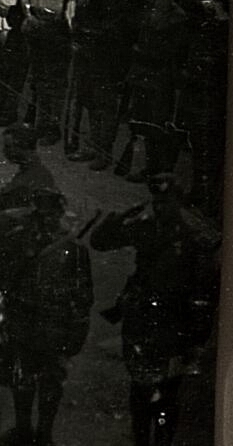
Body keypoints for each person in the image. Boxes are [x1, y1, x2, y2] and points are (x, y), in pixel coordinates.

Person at [89, 174, 222, 446]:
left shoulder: (195, 237)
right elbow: (100, 242)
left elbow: (206, 293)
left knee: (166, 396)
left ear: (179, 200)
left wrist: (196, 340)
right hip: (142, 321)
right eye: (157, 201)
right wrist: (122, 217)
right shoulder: (148, 226)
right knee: (140, 390)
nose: (160, 207)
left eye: (166, 201)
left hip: (175, 325)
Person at [0, 185, 92, 446]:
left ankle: (44, 434)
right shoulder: (19, 239)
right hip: (23, 319)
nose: (46, 220)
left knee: (51, 382)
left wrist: (77, 331)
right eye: (41, 214)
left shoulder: (73, 249)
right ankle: (23, 430)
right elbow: (1, 274)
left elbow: (83, 294)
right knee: (22, 378)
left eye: (50, 215)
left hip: (54, 323)